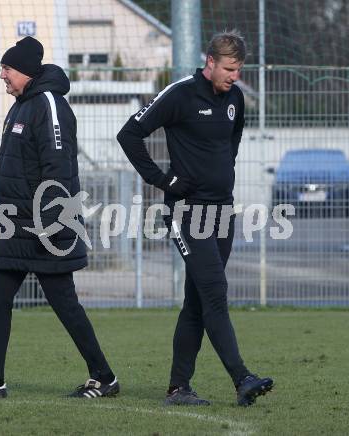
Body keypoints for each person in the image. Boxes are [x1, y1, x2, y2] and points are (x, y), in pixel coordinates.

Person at [0, 37, 119, 400]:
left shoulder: (48, 105)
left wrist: (53, 224)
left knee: (64, 303)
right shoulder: (20, 106)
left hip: (43, 229)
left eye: (7, 70)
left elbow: (56, 171)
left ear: (24, 71)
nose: (2, 76)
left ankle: (104, 377)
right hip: (14, 227)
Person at [117, 30, 273, 407]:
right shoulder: (180, 94)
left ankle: (178, 388)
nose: (235, 76)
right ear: (210, 62)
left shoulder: (235, 98)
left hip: (223, 211)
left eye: (238, 69)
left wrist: (221, 178)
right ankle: (242, 378)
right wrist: (163, 179)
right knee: (215, 293)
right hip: (187, 212)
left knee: (198, 302)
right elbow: (129, 134)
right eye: (229, 69)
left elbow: (231, 144)